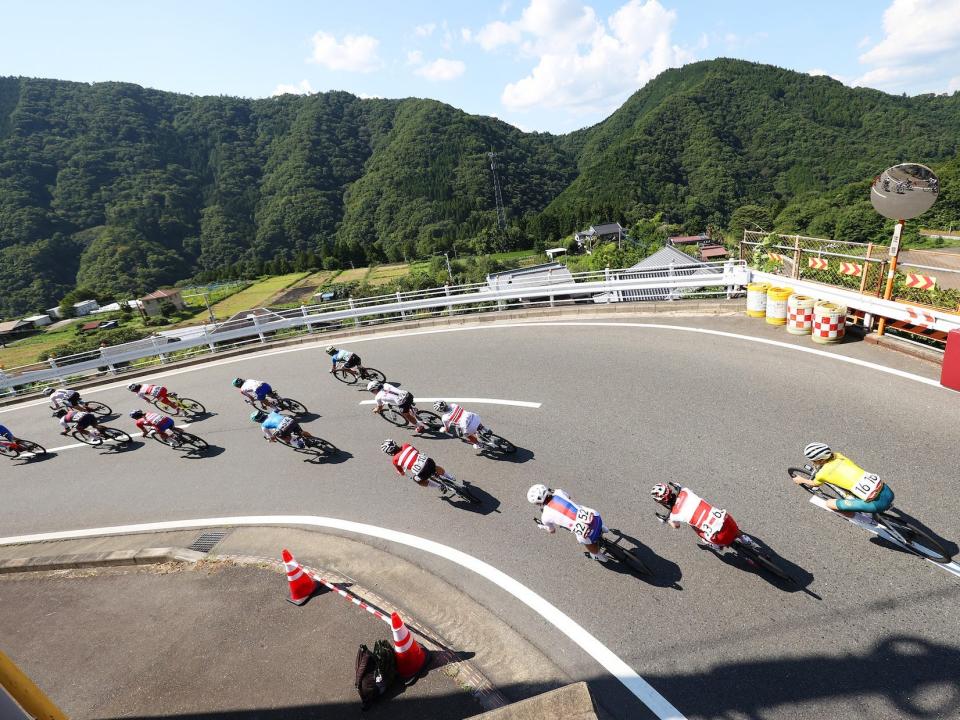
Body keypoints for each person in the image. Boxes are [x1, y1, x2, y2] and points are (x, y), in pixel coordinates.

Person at [794, 442, 894, 515]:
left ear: (820, 460)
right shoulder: (839, 456)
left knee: (829, 503)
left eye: (813, 461)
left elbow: (814, 484)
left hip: (876, 504)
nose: (812, 462)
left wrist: (801, 480)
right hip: (887, 491)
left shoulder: (822, 474)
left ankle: (851, 515)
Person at [527, 484, 610, 563]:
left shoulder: (545, 517)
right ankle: (602, 527)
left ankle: (598, 555)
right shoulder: (559, 492)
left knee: (582, 540)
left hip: (588, 534)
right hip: (596, 517)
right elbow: (569, 498)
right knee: (580, 507)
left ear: (537, 504)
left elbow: (552, 531)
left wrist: (544, 526)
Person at [650, 483, 746, 549]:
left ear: (661, 501)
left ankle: (715, 546)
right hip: (729, 522)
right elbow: (680, 488)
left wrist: (666, 520)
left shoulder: (674, 515)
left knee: (694, 526)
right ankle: (746, 539)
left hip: (719, 538)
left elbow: (676, 526)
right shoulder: (685, 491)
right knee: (725, 521)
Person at [380, 439, 449, 491]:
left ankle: (439, 486)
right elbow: (417, 452)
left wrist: (401, 472)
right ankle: (450, 477)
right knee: (435, 467)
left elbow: (402, 473)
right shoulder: (406, 445)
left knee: (417, 480)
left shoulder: (395, 460)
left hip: (423, 473)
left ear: (389, 452)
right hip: (430, 463)